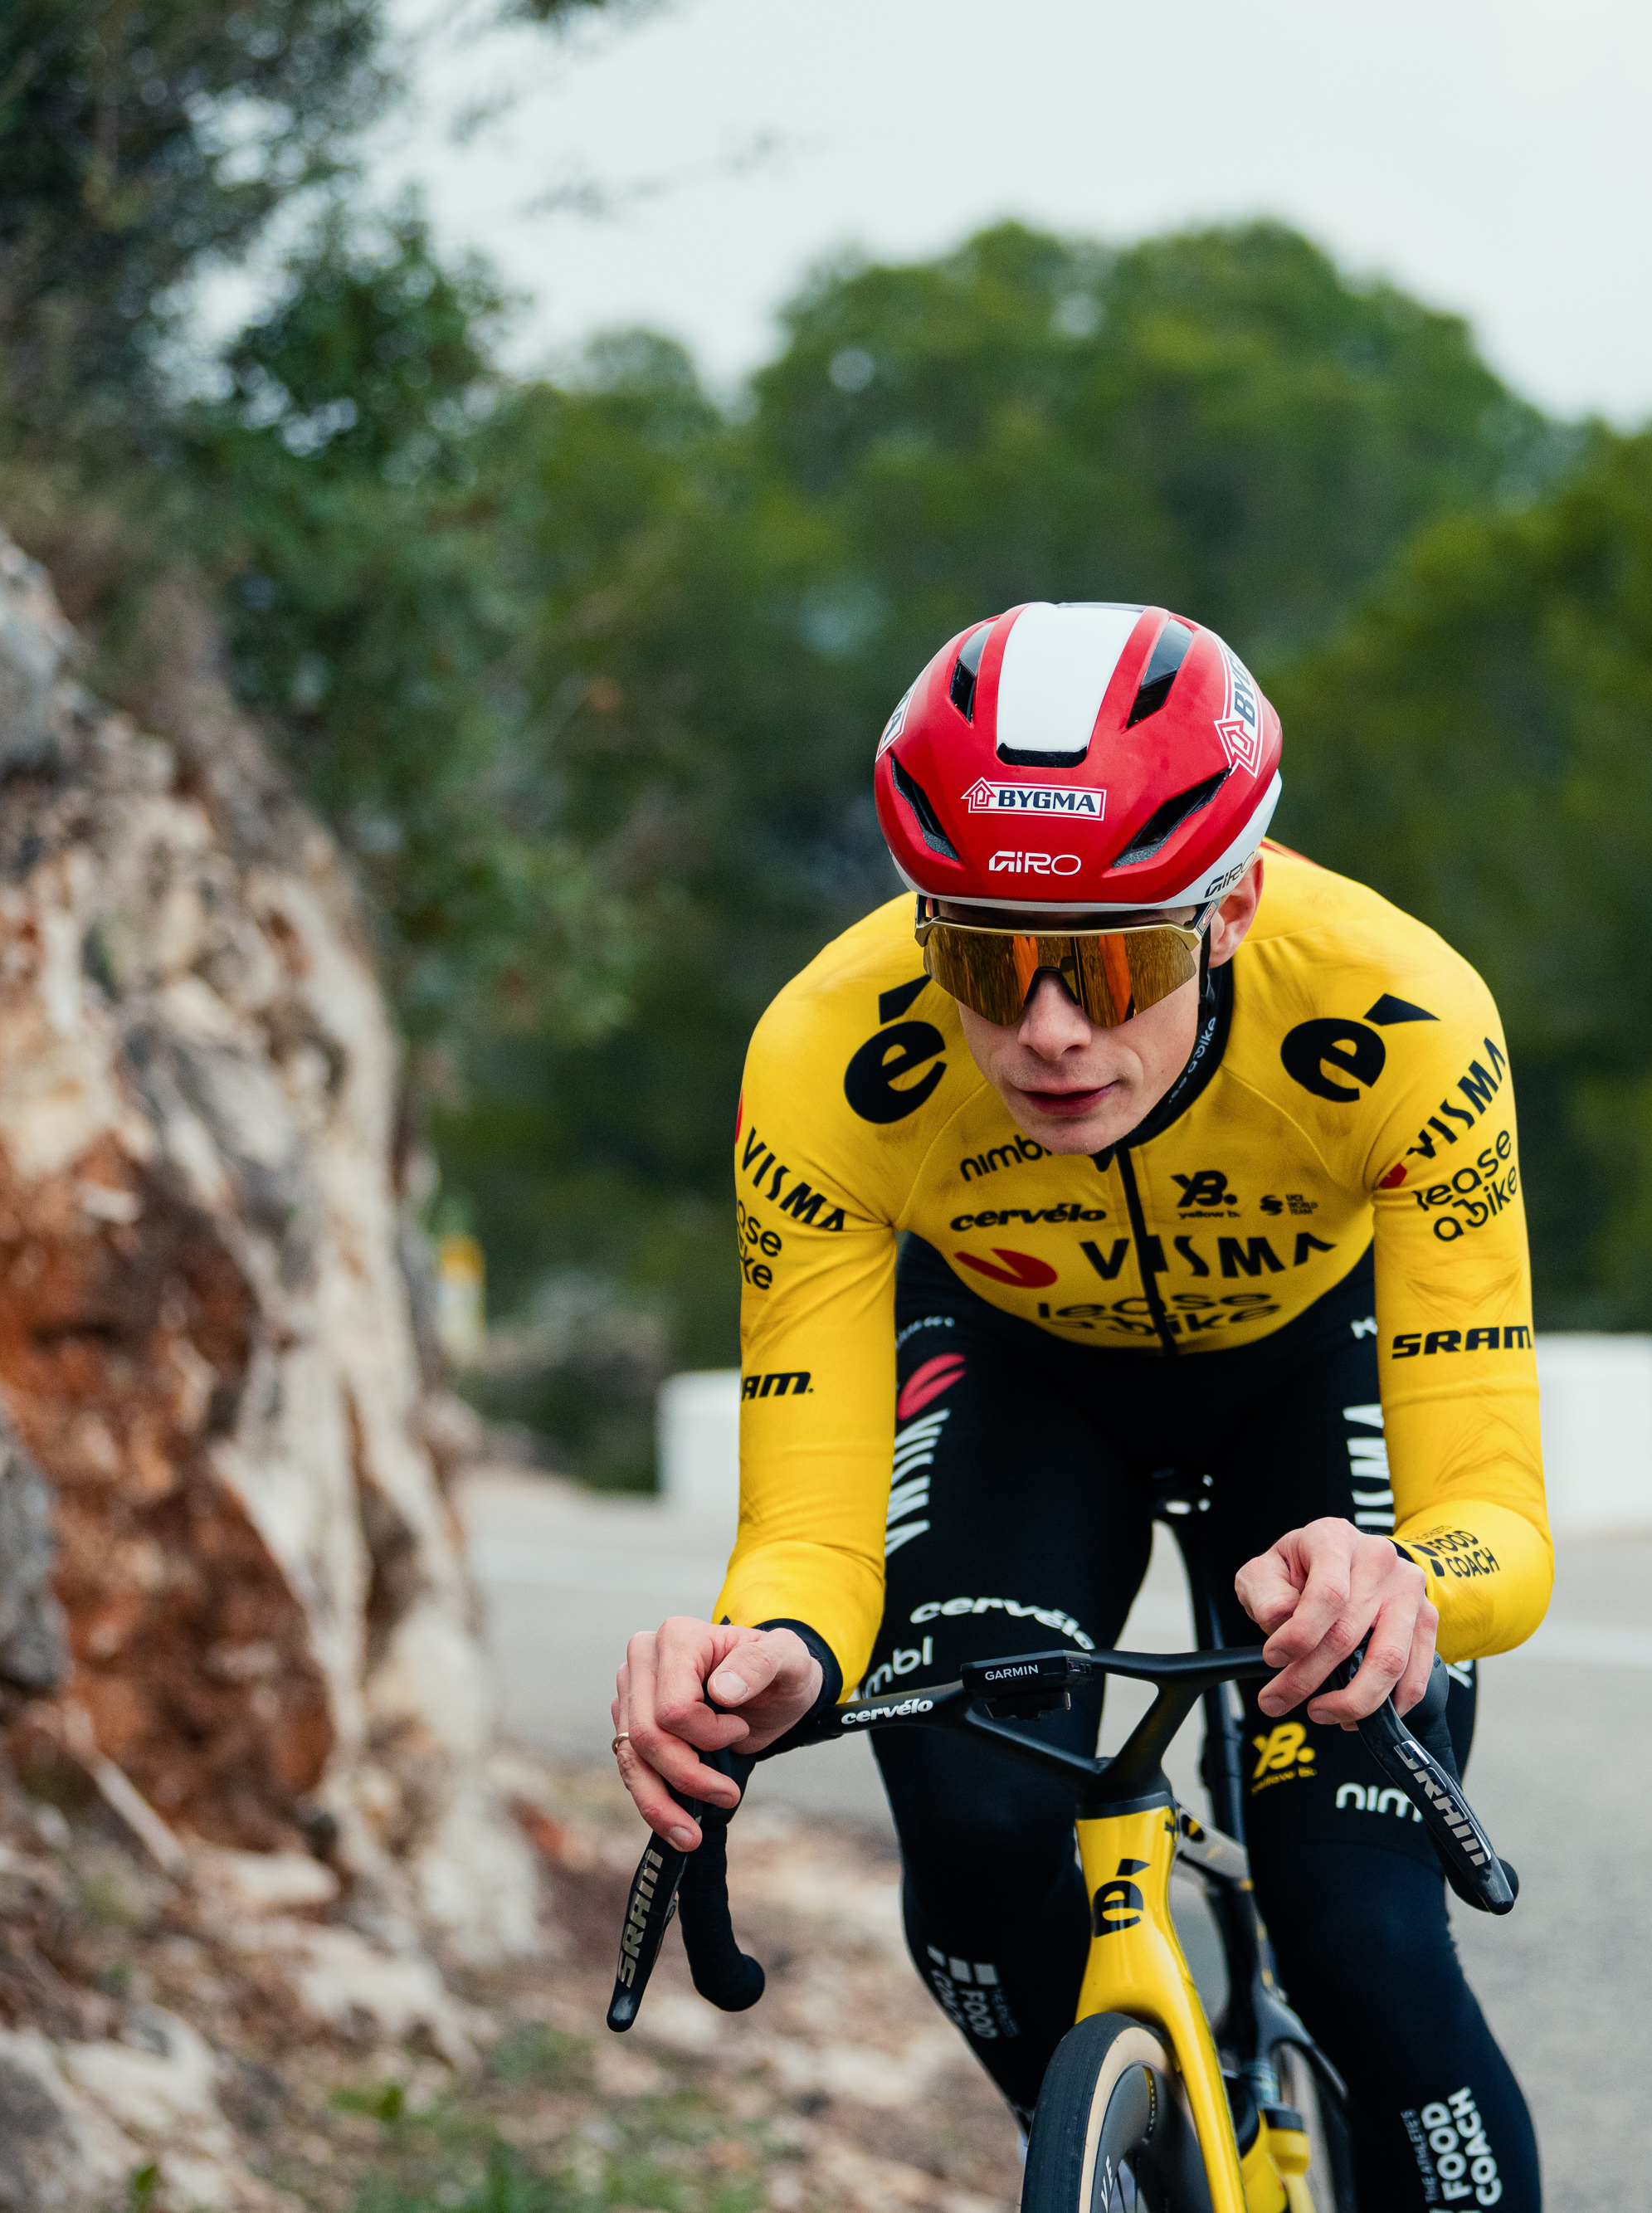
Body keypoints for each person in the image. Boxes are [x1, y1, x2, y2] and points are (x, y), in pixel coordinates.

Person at [612, 599, 1547, 2210]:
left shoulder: (1401, 1017)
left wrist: (1413, 1578)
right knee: (974, 1838)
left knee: (1361, 1931)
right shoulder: (828, 1058)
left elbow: (1494, 1525)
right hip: (1022, 1372)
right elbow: (806, 1536)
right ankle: (1133, 2165)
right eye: (982, 955)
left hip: (1303, 1374)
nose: (1047, 1030)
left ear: (1230, 902)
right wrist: (770, 1649)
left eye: (1109, 961)